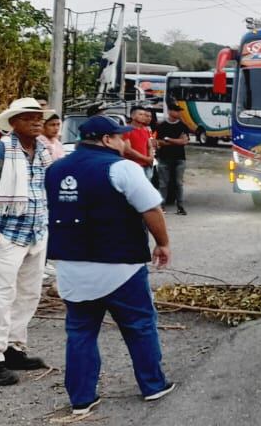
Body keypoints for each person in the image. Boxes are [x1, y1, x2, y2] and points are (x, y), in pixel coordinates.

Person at [46, 116, 176, 415]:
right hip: (121, 266)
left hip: (71, 267)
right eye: (120, 137)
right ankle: (153, 385)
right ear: (106, 140)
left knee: (80, 332)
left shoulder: (54, 169)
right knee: (139, 326)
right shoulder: (122, 168)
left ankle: (81, 399)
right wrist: (163, 243)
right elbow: (151, 209)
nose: (124, 141)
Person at [0, 98, 54, 386]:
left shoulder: (43, 150)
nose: (36, 122)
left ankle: (13, 348)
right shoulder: (2, 150)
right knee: (1, 295)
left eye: (38, 118)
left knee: (28, 293)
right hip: (7, 233)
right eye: (28, 117)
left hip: (36, 231)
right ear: (13, 123)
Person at [154, 106, 191, 215]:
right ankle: (161, 206)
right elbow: (157, 142)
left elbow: (184, 141)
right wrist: (177, 141)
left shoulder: (183, 126)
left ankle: (180, 206)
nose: (179, 113)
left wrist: (168, 139)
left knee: (179, 183)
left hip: (179, 158)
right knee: (163, 184)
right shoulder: (162, 126)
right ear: (170, 111)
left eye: (179, 111)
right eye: (176, 111)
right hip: (164, 158)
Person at [122, 106, 156, 182]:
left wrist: (151, 157)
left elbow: (149, 146)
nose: (143, 117)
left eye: (144, 114)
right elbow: (128, 150)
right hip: (134, 165)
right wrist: (146, 159)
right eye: (140, 114)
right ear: (132, 116)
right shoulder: (126, 129)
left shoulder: (145, 129)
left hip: (147, 164)